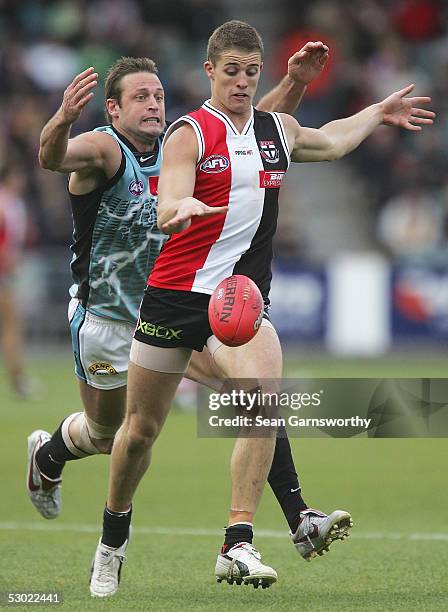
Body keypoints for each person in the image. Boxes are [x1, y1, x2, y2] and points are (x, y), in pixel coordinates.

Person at [88, 20, 434, 596]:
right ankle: (112, 537)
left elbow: (334, 139)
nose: (243, 82)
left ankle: (238, 542)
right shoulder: (188, 133)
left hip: (238, 303)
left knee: (262, 400)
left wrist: (377, 111)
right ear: (210, 71)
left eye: (251, 71)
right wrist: (179, 208)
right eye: (232, 72)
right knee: (140, 432)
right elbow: (168, 198)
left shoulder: (278, 130)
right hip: (173, 298)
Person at [27, 44, 350, 565]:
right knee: (109, 436)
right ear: (113, 109)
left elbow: (253, 134)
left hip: (171, 309)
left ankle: (298, 518)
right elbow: (50, 157)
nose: (153, 105)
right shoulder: (106, 151)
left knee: (255, 396)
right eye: (140, 98)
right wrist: (62, 118)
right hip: (108, 320)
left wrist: (293, 84)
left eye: (157, 95)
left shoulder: (185, 143)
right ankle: (49, 453)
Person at [0, 164, 31, 397]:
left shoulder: (14, 203)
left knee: (11, 325)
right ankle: (18, 379)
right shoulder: (7, 203)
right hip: (4, 272)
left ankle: (18, 378)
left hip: (7, 270)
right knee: (11, 326)